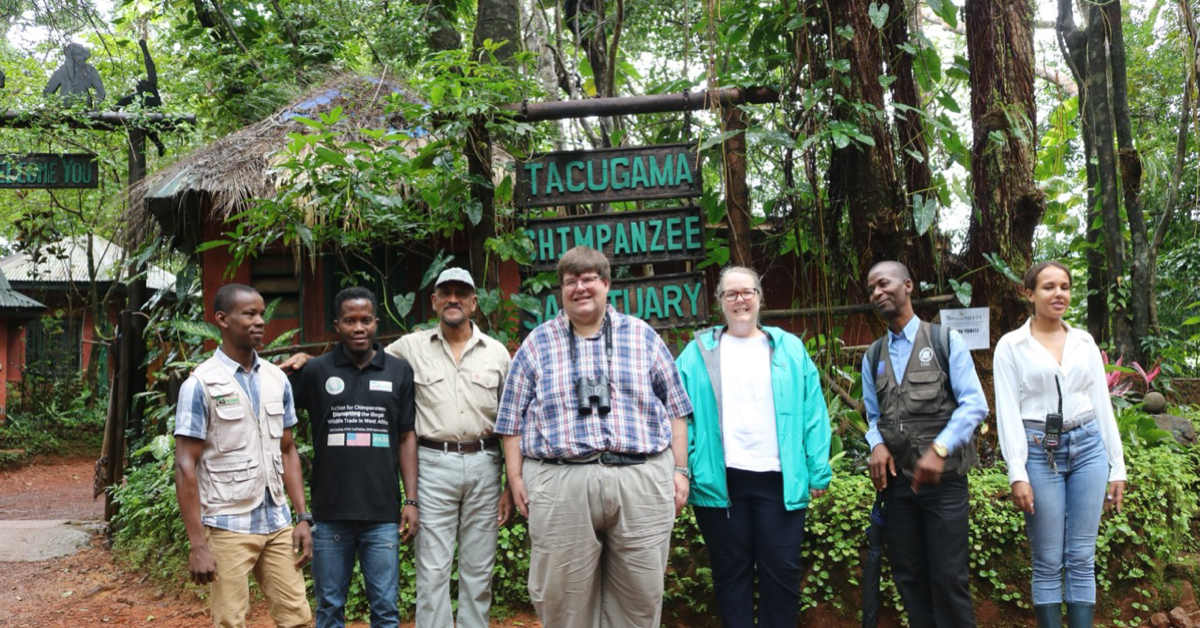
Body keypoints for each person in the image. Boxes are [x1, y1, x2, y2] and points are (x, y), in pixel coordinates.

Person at [495, 245, 693, 628]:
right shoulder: (537, 343)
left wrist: (681, 470)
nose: (580, 288)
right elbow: (511, 422)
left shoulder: (642, 336)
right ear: (561, 289)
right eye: (571, 281)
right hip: (559, 482)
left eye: (589, 279)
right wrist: (516, 479)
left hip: (640, 477)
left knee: (641, 595)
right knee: (561, 598)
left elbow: (677, 410)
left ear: (606, 284)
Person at [674, 265, 833, 628]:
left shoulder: (789, 348)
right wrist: (689, 465)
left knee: (782, 575)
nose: (740, 299)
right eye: (731, 293)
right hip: (721, 482)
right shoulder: (697, 352)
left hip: (778, 480)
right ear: (720, 303)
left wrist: (817, 468)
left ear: (760, 297)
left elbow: (813, 410)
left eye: (747, 291)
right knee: (730, 577)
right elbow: (677, 413)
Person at [993, 261, 1127, 628]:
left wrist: (1118, 465)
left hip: (1088, 449)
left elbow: (1102, 404)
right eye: (1049, 287)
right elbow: (1007, 412)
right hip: (1039, 452)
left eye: (1065, 286)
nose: (1059, 294)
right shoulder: (1011, 346)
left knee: (1082, 556)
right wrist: (1017, 472)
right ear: (1029, 293)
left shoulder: (1084, 341)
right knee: (1049, 559)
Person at [173, 283, 312, 628]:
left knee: (297, 617)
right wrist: (197, 544)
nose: (260, 321)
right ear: (222, 319)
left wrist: (302, 516)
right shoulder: (201, 384)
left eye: (262, 313)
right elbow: (185, 464)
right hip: (227, 523)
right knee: (229, 621)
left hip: (277, 521)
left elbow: (287, 449)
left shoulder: (277, 379)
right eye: (249, 313)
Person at [861, 261, 988, 628]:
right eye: (871, 289)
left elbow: (974, 403)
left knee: (949, 580)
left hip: (944, 485)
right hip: (898, 487)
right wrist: (877, 445)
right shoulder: (873, 356)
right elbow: (872, 416)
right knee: (909, 579)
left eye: (883, 284)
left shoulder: (945, 340)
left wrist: (940, 448)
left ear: (908, 285)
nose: (877, 293)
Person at [384, 268, 513, 628]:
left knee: (478, 568)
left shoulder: (497, 354)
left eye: (462, 293)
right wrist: (312, 363)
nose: (453, 299)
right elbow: (365, 359)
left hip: (486, 465)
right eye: (446, 292)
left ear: (474, 302)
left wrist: (509, 484)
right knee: (433, 569)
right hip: (432, 465)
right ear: (434, 301)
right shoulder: (409, 348)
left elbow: (514, 422)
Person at [291, 286, 418, 628]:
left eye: (365, 320)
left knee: (386, 610)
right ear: (337, 325)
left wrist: (412, 500)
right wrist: (290, 366)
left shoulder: (398, 372)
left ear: (376, 322)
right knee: (329, 608)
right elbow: (276, 406)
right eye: (350, 320)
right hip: (330, 513)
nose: (358, 327)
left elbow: (407, 437)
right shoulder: (317, 371)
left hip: (382, 514)